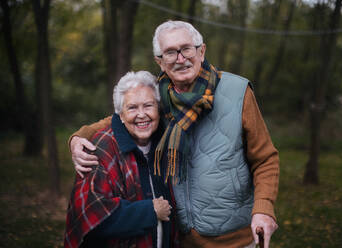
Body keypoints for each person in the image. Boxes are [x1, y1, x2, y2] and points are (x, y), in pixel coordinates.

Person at [69, 20, 279, 248]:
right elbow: (121, 118)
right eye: (170, 52)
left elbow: (265, 159)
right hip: (181, 239)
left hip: (234, 239)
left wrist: (264, 209)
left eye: (186, 48)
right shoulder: (158, 96)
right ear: (159, 62)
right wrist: (78, 137)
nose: (180, 58)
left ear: (202, 50)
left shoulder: (237, 92)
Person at [64, 71, 178, 248]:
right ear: (120, 115)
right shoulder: (101, 149)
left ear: (158, 108)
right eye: (132, 108)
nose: (141, 115)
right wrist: (149, 211)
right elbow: (91, 214)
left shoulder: (167, 142)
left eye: (148, 105)